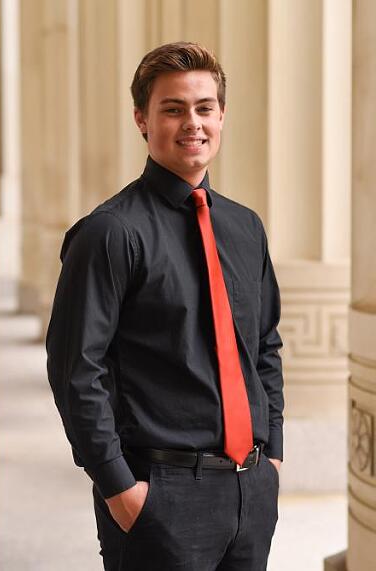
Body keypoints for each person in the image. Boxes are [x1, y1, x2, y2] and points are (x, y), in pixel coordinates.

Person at [46, 42, 284, 570]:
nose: (191, 123)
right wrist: (120, 489)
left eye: (204, 108)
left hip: (251, 491)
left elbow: (264, 346)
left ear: (221, 115)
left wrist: (274, 456)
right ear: (142, 119)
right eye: (172, 109)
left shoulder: (246, 228)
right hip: (159, 492)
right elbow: (75, 371)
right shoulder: (109, 232)